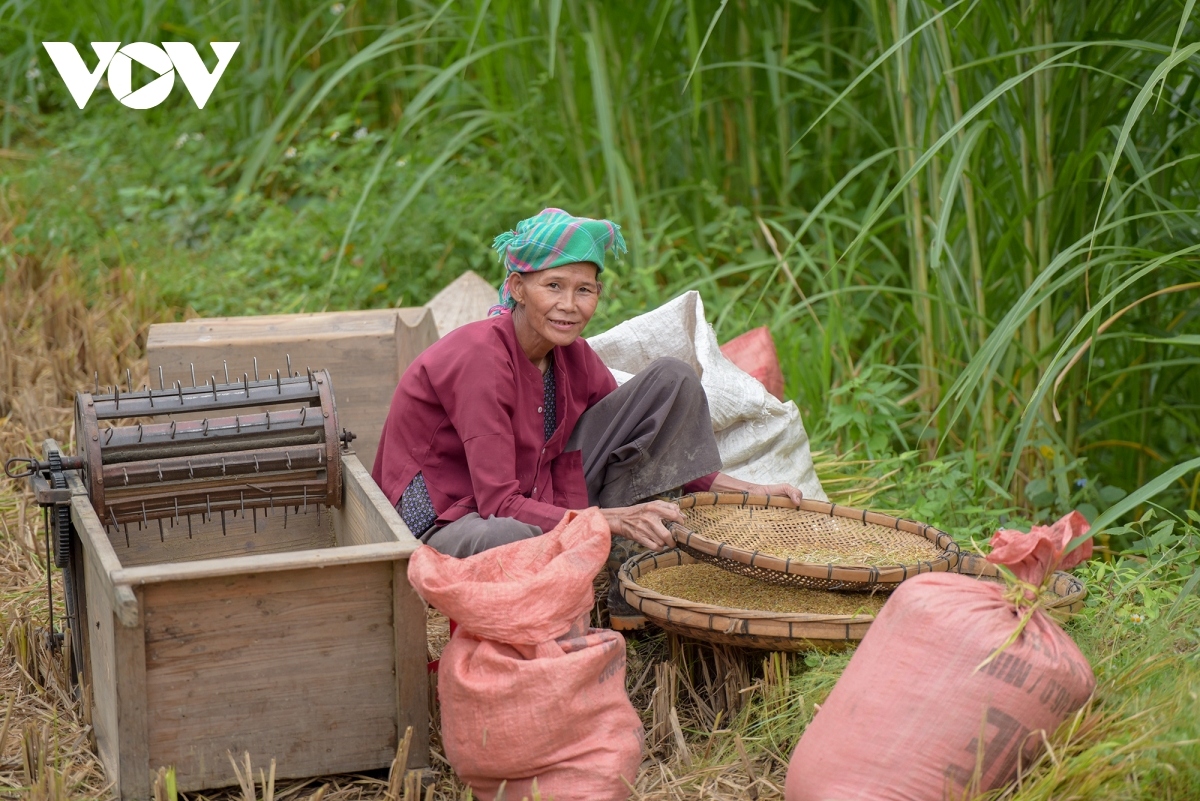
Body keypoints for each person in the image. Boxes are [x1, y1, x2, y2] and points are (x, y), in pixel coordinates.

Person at [372, 208, 803, 624]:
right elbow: (499, 504)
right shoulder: (480, 359)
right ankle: (597, 560)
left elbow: (635, 435)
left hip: (534, 487)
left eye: (584, 289)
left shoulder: (570, 356)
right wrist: (612, 520)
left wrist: (745, 490)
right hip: (452, 518)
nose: (569, 305)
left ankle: (621, 580)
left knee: (672, 380)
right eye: (553, 286)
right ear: (517, 288)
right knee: (516, 541)